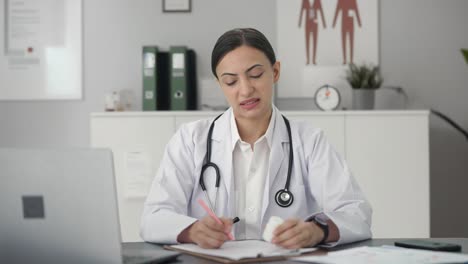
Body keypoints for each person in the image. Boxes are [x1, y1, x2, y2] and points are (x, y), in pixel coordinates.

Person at [140, 28, 372, 249]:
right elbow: (152, 218)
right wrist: (192, 230)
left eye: (256, 75)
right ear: (220, 84)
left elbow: (356, 212)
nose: (245, 89)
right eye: (231, 81)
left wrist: (317, 230)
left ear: (276, 72)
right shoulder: (190, 140)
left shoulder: (309, 141)